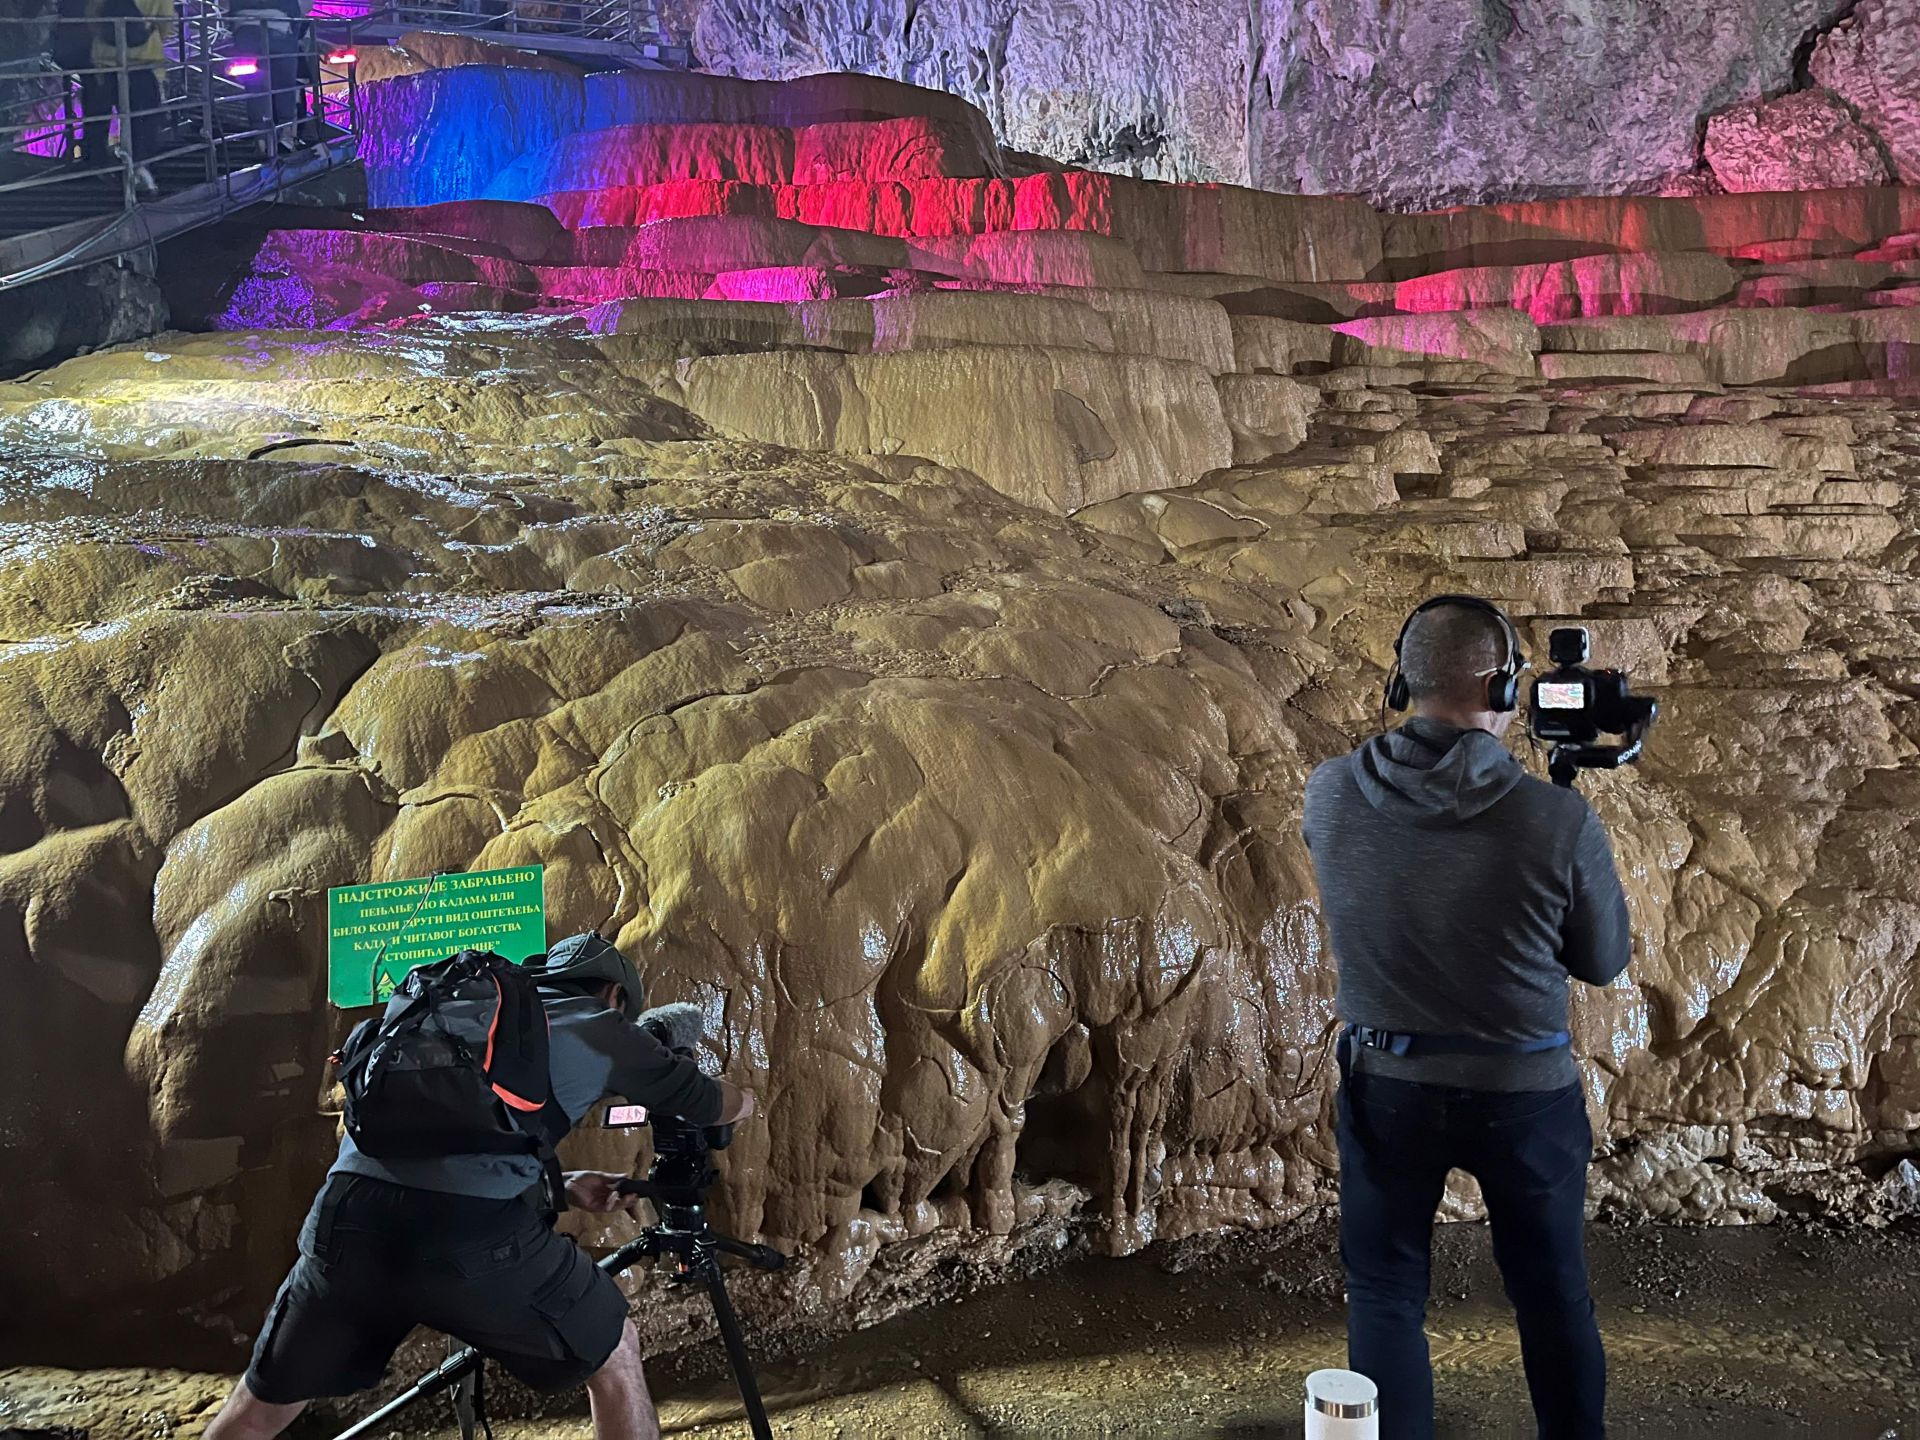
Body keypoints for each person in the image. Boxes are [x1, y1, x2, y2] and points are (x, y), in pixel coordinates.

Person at [201, 933, 756, 1440]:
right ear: (614, 995)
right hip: (469, 1238)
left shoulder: (459, 1006)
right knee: (614, 1352)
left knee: (261, 1406)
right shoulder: (601, 1023)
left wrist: (562, 1186)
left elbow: (449, 1150)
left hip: (345, 1219)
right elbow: (713, 1104)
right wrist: (744, 1098)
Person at [1302, 595, 1631, 1440]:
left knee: (1384, 1294)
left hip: (1386, 1086)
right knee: (1551, 1294)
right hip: (1525, 1094)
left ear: (1400, 683)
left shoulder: (1330, 794)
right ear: (1504, 686)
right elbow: (1602, 961)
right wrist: (1565, 817)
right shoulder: (1554, 818)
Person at [81, 0, 175, 194]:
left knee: (98, 114)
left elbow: (92, 13)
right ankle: (138, 166)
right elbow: (165, 20)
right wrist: (153, 37)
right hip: (144, 59)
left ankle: (96, 164)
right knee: (143, 117)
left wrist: (104, 34)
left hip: (106, 58)